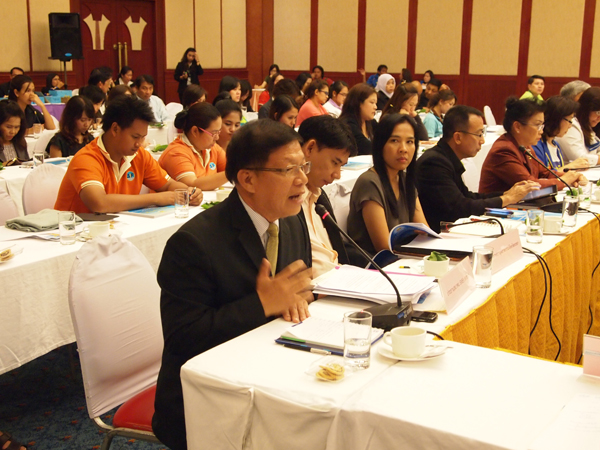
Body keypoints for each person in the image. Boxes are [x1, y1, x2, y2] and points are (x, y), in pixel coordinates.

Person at [152, 119, 313, 450]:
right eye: (288, 170)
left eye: (303, 166)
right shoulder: (193, 243)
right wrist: (262, 304)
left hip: (273, 371)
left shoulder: (292, 220)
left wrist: (294, 298)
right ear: (248, 179)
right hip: (207, 398)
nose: (303, 179)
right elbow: (184, 337)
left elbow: (292, 290)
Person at [54, 95, 202, 213]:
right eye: (135, 137)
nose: (139, 143)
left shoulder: (139, 155)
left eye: (143, 137)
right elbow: (99, 203)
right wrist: (156, 198)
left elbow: (168, 185)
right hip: (72, 233)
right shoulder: (86, 159)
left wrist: (188, 192)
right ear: (115, 129)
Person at [415, 105, 540, 232]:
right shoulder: (434, 163)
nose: (482, 140)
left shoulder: (445, 157)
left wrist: (506, 194)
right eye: (479, 134)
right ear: (458, 137)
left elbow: (467, 197)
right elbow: (459, 208)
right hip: (435, 237)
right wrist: (506, 199)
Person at [347, 114, 428, 256]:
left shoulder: (404, 178)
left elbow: (424, 231)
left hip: (404, 257)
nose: (403, 149)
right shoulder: (369, 182)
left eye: (410, 142)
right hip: (378, 264)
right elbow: (384, 247)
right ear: (380, 144)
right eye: (395, 141)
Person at [479, 97, 587, 194]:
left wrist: (572, 176)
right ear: (517, 127)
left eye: (542, 125)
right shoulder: (504, 151)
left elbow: (545, 173)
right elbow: (530, 185)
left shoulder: (524, 146)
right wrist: (564, 181)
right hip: (498, 208)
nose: (541, 131)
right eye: (537, 125)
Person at [297, 115, 357, 276]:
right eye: (334, 163)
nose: (337, 175)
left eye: (341, 166)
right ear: (310, 148)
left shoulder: (319, 198)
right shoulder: (284, 200)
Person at [159, 102, 227, 190]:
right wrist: (231, 173)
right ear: (195, 131)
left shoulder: (212, 148)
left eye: (219, 132)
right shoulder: (176, 152)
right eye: (214, 133)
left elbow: (228, 167)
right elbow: (192, 185)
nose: (217, 138)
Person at [533, 96, 589, 170]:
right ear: (556, 119)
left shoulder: (556, 145)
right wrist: (571, 166)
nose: (570, 126)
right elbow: (543, 175)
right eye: (569, 120)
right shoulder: (536, 144)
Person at [556, 87, 600, 165]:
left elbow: (596, 148)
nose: (599, 118)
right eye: (598, 112)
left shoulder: (586, 125)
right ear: (586, 109)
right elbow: (579, 158)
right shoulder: (570, 124)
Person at [339, 84, 378, 156]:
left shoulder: (371, 122)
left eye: (375, 103)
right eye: (372, 102)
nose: (375, 107)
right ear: (359, 103)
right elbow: (365, 147)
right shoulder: (348, 123)